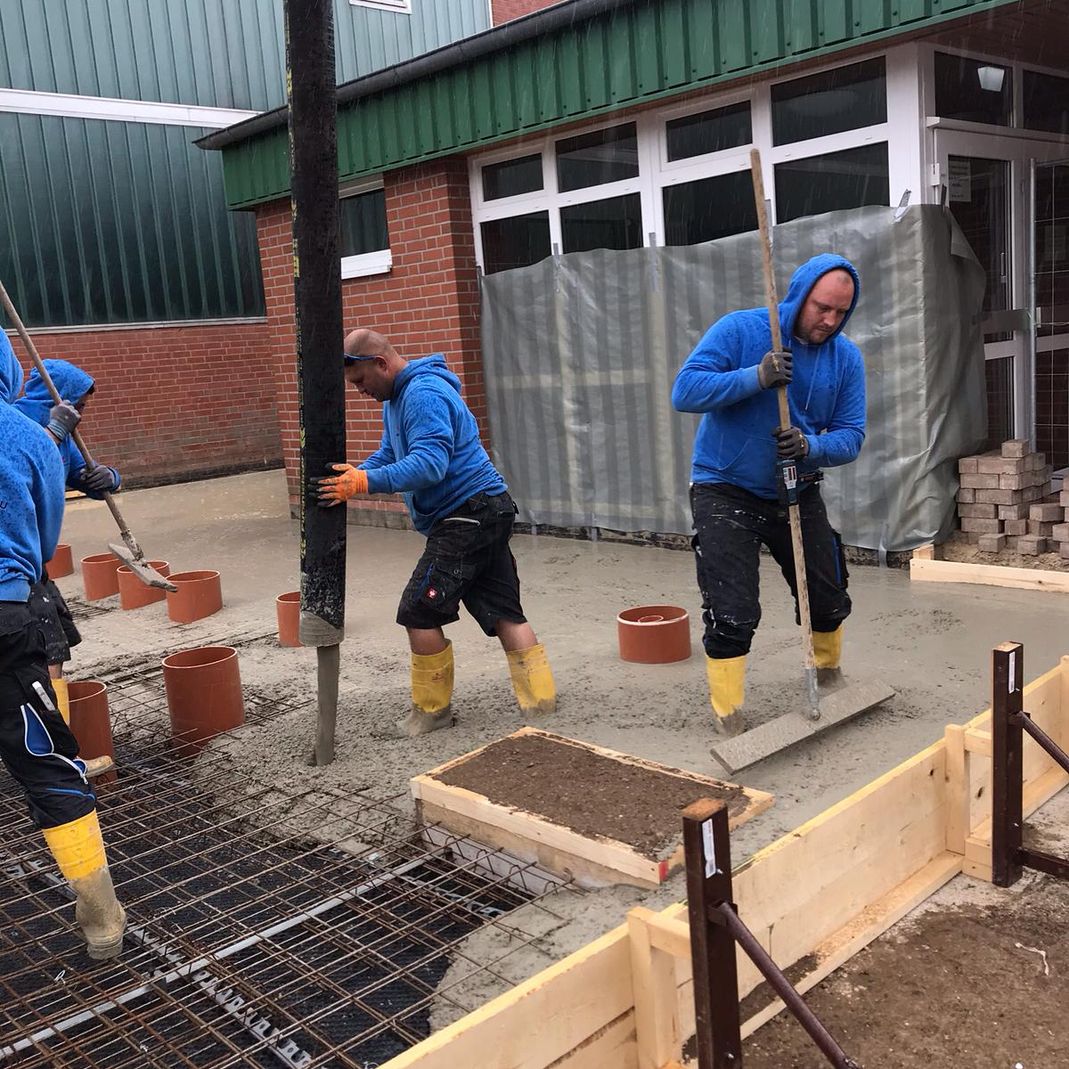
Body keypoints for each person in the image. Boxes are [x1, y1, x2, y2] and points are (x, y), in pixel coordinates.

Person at [316, 328, 556, 737]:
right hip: (486, 509)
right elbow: (391, 455)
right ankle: (541, 702)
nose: (359, 391)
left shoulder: (422, 395)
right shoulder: (396, 401)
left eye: (360, 382)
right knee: (503, 610)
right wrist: (354, 474)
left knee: (418, 611)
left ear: (381, 363)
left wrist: (364, 483)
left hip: (467, 514)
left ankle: (432, 711)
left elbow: (429, 465)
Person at [671, 254, 866, 736]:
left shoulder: (846, 358)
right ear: (799, 296)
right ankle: (729, 715)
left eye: (841, 312)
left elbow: (852, 435)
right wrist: (754, 377)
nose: (830, 321)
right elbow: (685, 391)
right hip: (725, 486)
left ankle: (828, 675)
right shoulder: (741, 330)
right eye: (822, 308)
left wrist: (811, 446)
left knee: (826, 597)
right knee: (733, 612)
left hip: (796, 486)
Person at [0, 331, 126, 958]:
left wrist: (98, 473)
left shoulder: (51, 433)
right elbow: (44, 540)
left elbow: (86, 473)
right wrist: (49, 443)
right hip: (7, 608)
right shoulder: (28, 435)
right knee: (47, 767)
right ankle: (102, 920)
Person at [15, 359, 122, 723]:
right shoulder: (17, 424)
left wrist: (108, 478)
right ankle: (54, 739)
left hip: (32, 561)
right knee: (44, 648)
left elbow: (80, 471)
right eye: (79, 406)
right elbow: (19, 467)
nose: (82, 414)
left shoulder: (65, 431)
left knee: (54, 645)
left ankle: (53, 731)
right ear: (56, 399)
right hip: (14, 558)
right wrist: (53, 434)